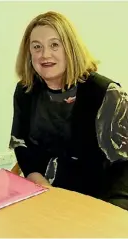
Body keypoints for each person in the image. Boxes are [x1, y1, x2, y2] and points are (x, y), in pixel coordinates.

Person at [9, 11, 128, 210]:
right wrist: (40, 183)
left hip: (100, 203)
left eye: (55, 45)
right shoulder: (25, 90)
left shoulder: (107, 94)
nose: (45, 54)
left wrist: (113, 215)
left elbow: (124, 166)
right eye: (37, 47)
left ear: (70, 48)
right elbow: (22, 146)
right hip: (44, 196)